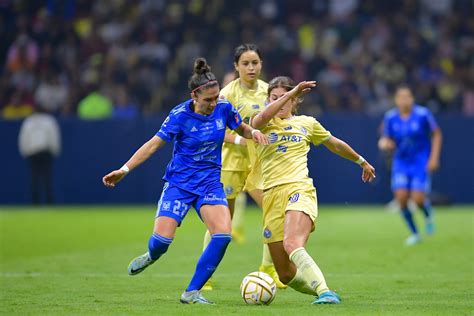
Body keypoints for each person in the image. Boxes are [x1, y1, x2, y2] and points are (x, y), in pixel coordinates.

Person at [102, 58, 268, 304]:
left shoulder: (224, 107)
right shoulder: (179, 115)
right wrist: (124, 169)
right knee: (162, 243)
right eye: (208, 99)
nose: (213, 103)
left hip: (210, 183)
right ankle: (150, 255)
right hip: (180, 184)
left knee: (223, 235)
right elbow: (153, 145)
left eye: (215, 98)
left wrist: (252, 132)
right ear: (194, 95)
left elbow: (240, 127)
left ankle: (192, 292)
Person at [251, 76, 376, 304]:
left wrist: (361, 161)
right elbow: (259, 119)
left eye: (284, 98)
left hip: (299, 188)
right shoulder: (261, 123)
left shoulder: (307, 123)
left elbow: (334, 143)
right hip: (270, 195)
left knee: (292, 244)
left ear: (295, 102)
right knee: (285, 273)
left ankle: (325, 293)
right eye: (273, 98)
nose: (279, 102)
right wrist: (292, 92)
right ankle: (323, 291)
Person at [202, 44, 285, 290]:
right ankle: (205, 275)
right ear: (236, 66)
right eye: (246, 63)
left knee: (275, 214)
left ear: (261, 64)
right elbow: (215, 130)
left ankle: (269, 269)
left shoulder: (268, 90)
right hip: (231, 163)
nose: (251, 67)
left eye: (255, 62)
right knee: (221, 223)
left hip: (260, 164)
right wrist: (240, 138)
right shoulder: (227, 94)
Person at [378, 85, 442, 245]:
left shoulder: (423, 114)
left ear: (412, 99)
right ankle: (415, 233)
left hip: (420, 161)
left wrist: (433, 158)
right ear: (396, 100)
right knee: (401, 198)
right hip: (400, 162)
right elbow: (386, 138)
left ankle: (427, 214)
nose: (404, 100)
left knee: (418, 199)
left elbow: (436, 134)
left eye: (407, 97)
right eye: (401, 97)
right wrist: (385, 143)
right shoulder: (390, 117)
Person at [18, 106, 61, 204]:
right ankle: (44, 202)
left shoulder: (29, 122)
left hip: (36, 152)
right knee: (43, 178)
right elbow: (54, 137)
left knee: (39, 178)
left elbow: (23, 138)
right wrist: (55, 150)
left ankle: (39, 202)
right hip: (42, 152)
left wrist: (25, 151)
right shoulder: (48, 121)